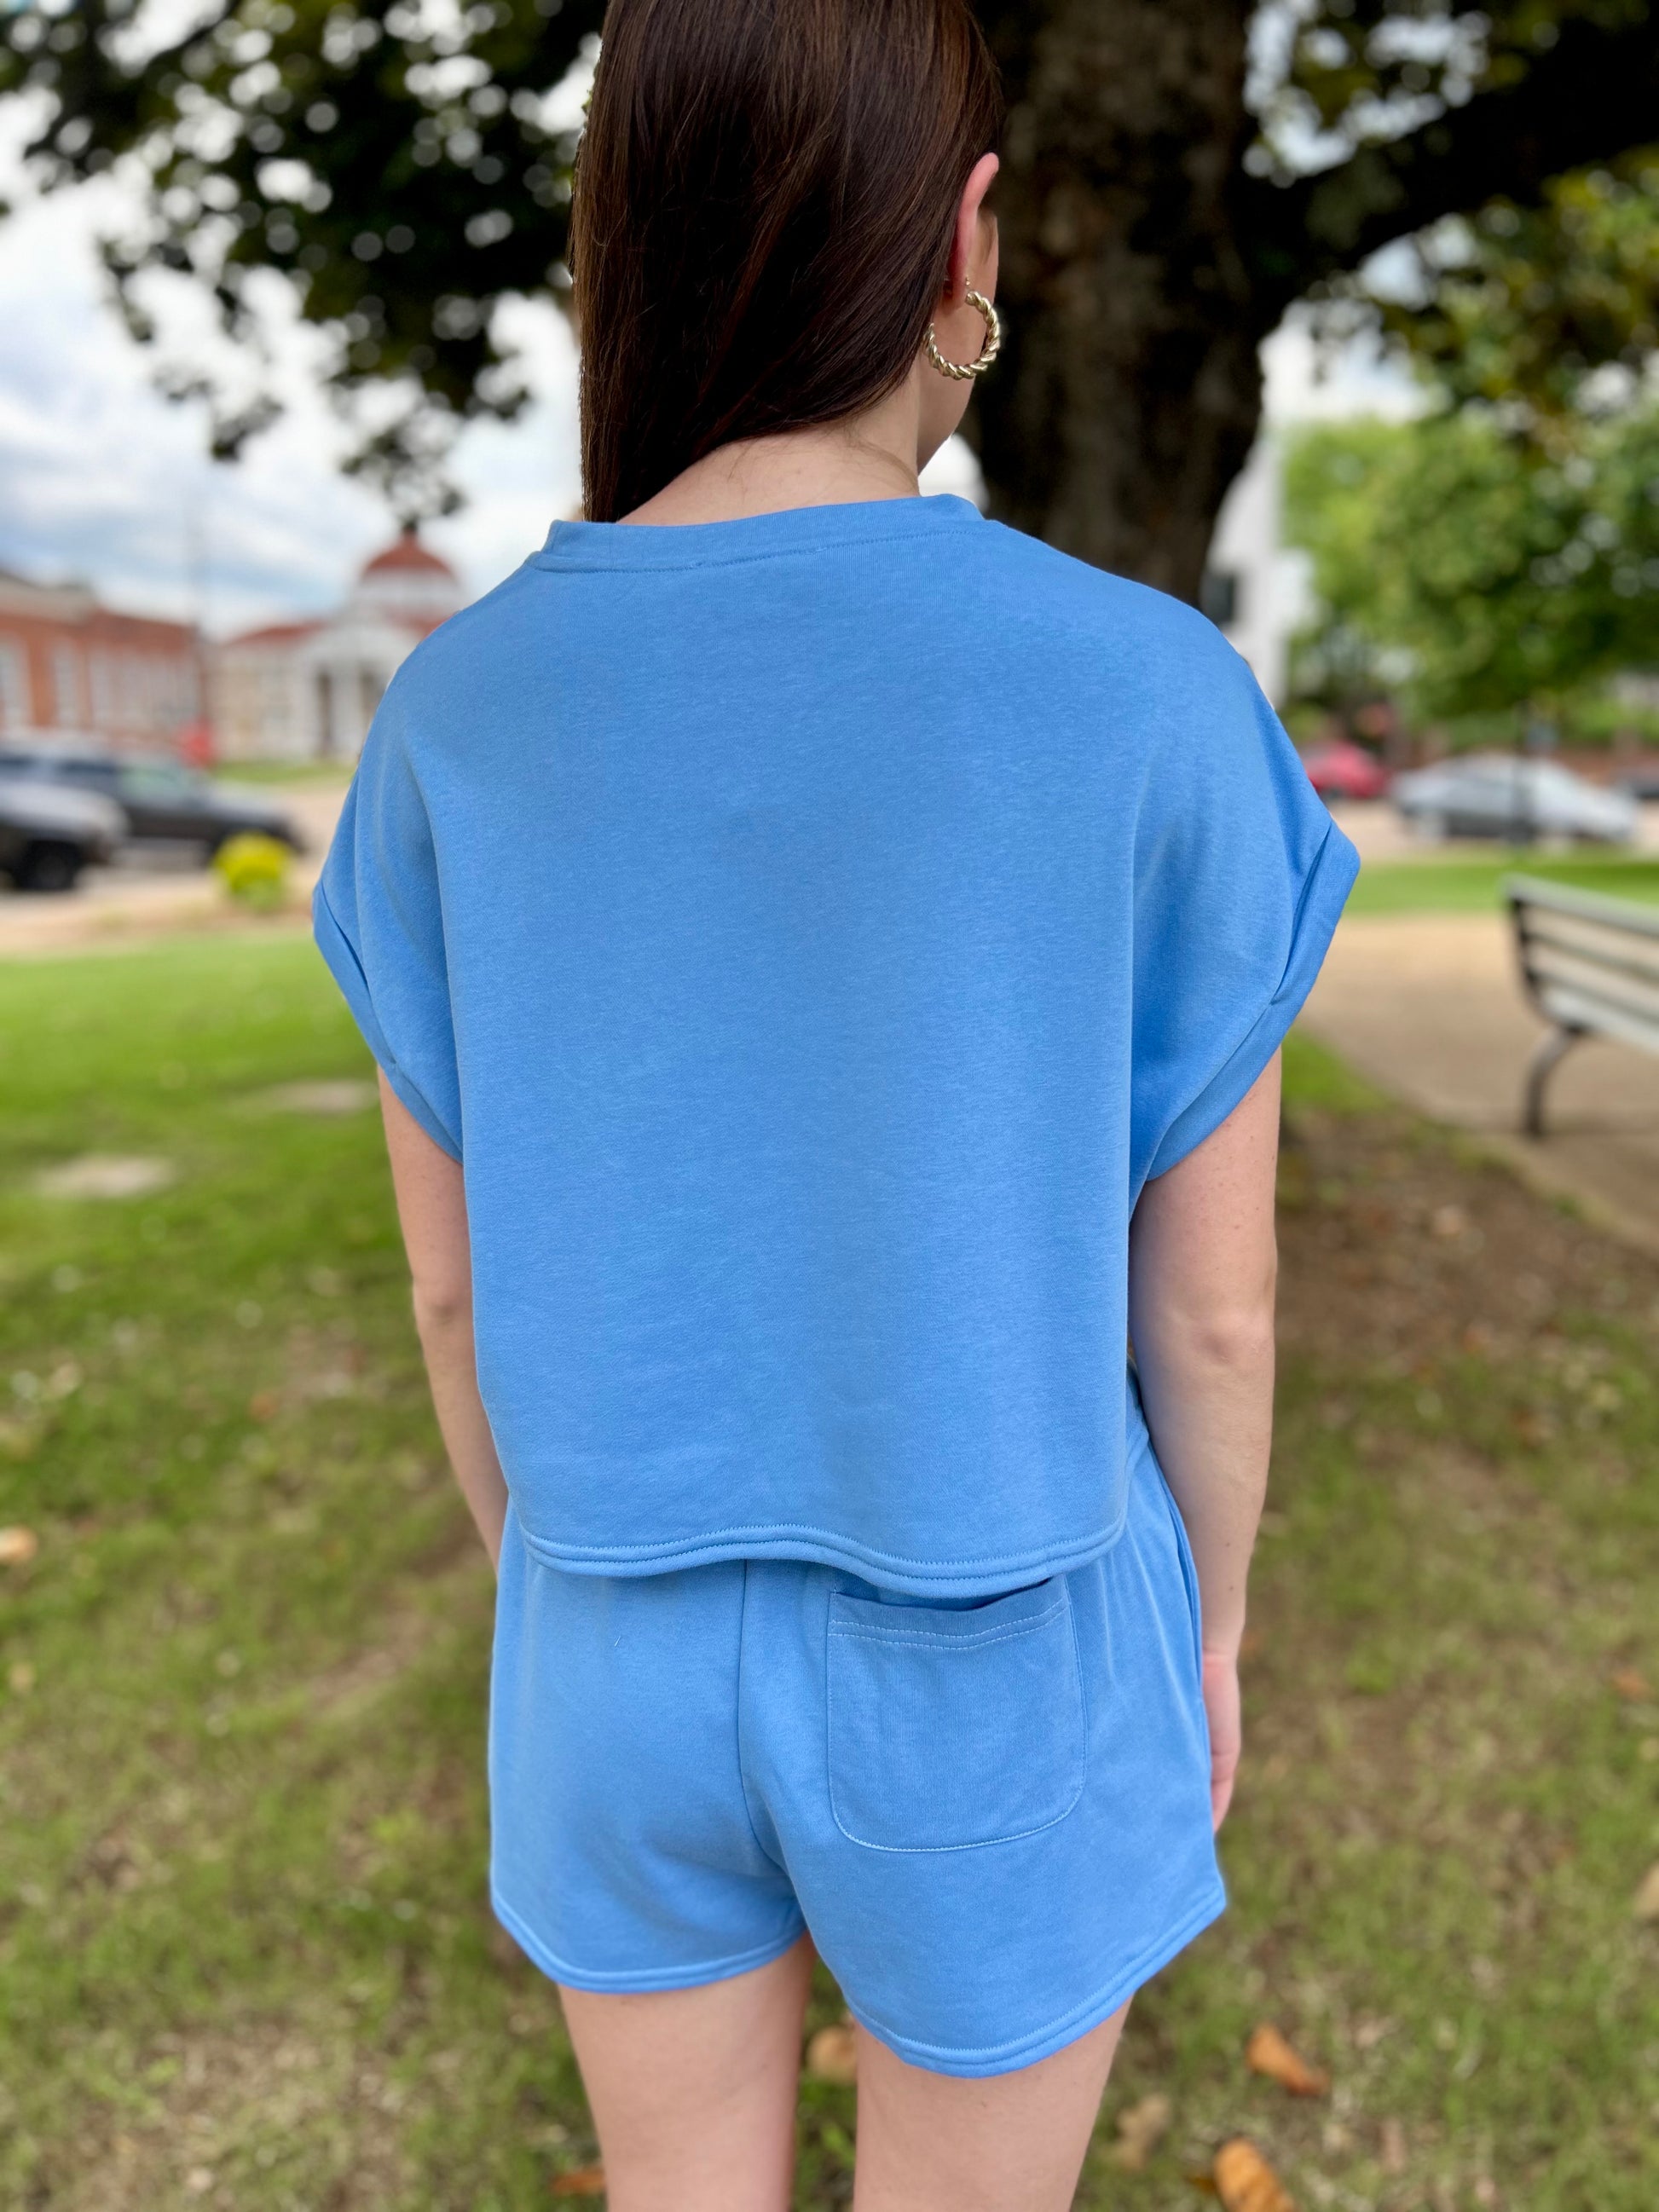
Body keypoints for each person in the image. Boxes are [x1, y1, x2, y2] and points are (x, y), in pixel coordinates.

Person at [312, 0, 1359, 2203]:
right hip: (1005, 1637)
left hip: (610, 1626)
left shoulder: (454, 715)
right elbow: (1213, 1313)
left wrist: (559, 1606)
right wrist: (1213, 1621)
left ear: (624, 239)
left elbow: (450, 1290)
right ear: (966, 238)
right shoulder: (1148, 691)